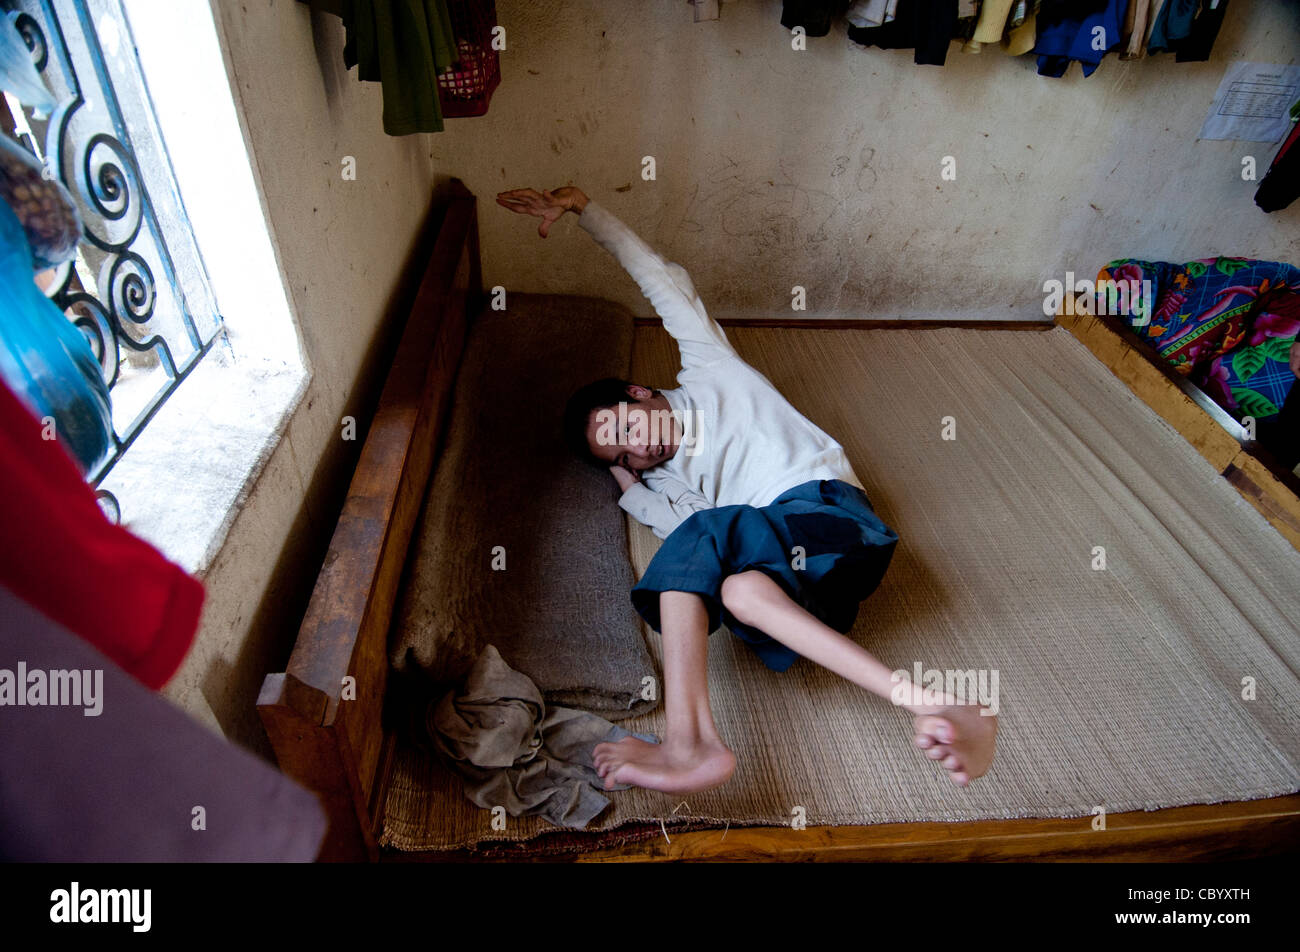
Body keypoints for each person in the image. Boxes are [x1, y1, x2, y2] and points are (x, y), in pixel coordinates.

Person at [496, 185, 997, 794]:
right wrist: (635, 491)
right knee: (734, 589)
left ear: (639, 392)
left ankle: (688, 741)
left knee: (713, 539)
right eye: (622, 453)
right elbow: (694, 542)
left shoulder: (708, 368)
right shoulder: (672, 480)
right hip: (819, 595)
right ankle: (925, 702)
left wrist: (584, 211)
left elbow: (661, 279)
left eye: (625, 427)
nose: (638, 447)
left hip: (835, 521)